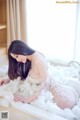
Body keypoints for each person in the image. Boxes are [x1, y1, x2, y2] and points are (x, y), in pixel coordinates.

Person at [0, 40, 79, 109]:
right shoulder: (29, 57)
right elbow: (23, 73)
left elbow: (44, 85)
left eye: (17, 56)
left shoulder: (38, 61)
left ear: (22, 49)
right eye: (15, 58)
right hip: (42, 88)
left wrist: (27, 100)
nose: (17, 60)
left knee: (63, 106)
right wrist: (8, 78)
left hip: (59, 98)